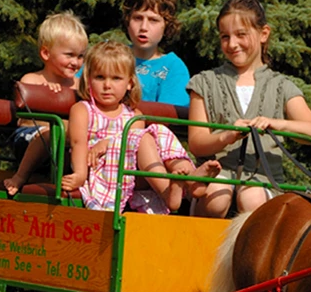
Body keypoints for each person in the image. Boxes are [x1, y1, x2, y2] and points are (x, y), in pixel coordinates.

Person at [186, 0, 311, 218]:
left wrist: (275, 123)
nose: (232, 44)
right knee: (217, 197)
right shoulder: (204, 83)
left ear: (263, 34)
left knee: (252, 197)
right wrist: (227, 136)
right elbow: (197, 142)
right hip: (215, 174)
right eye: (225, 37)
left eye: (241, 35)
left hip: (263, 179)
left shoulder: (281, 86)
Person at [74, 42, 219, 213]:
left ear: (129, 83)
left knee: (158, 131)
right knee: (141, 137)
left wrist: (107, 142)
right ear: (88, 79)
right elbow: (78, 144)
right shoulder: (84, 110)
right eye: (99, 77)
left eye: (116, 78)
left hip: (133, 170)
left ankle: (189, 176)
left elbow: (131, 143)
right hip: (103, 170)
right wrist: (79, 175)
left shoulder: (134, 114)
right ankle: (168, 191)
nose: (107, 85)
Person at [4, 12, 88, 196]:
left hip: (65, 145)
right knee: (53, 133)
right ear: (46, 53)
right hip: (30, 140)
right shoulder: (33, 80)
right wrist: (46, 96)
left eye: (80, 56)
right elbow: (24, 120)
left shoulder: (80, 85)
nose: (76, 62)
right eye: (69, 55)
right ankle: (20, 176)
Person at [122, 0, 191, 110]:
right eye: (137, 18)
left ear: (166, 26)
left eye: (153, 20)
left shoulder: (173, 68)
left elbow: (167, 117)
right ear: (127, 21)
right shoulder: (110, 56)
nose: (143, 27)